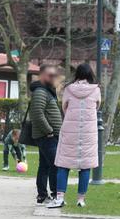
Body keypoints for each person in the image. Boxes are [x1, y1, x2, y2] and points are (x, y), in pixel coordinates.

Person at [48, 63, 101, 209]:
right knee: (85, 166)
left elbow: (64, 107)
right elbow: (97, 106)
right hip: (88, 133)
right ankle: (81, 199)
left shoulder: (68, 89)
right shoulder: (95, 90)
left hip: (70, 130)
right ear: (90, 74)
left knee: (63, 164)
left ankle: (60, 197)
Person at [29, 64, 63, 204]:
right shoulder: (40, 91)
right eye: (50, 75)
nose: (53, 78)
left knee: (44, 165)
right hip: (47, 136)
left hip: (49, 135)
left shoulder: (47, 91)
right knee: (55, 164)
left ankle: (42, 195)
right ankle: (55, 194)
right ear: (41, 75)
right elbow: (37, 114)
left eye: (54, 75)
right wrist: (48, 130)